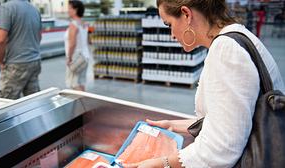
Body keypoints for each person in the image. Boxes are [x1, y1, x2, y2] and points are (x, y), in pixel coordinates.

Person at [124, 0, 285, 168]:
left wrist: (161, 163)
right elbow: (232, 119)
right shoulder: (235, 36)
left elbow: (220, 150)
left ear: (186, 14)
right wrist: (173, 125)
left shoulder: (226, 51)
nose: (171, 34)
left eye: (169, 24)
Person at [0, 0, 42, 99]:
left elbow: (0, 39)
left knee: (5, 104)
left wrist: (0, 61)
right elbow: (39, 36)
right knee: (33, 102)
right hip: (34, 61)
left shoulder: (6, 8)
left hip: (15, 63)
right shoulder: (34, 10)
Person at [65, 0, 90, 91]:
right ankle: (85, 103)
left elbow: (72, 44)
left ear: (75, 10)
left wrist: (69, 57)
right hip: (85, 56)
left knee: (73, 83)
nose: (68, 10)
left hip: (76, 57)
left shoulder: (73, 25)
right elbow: (87, 40)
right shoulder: (84, 23)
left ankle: (81, 104)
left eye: (69, 8)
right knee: (81, 82)